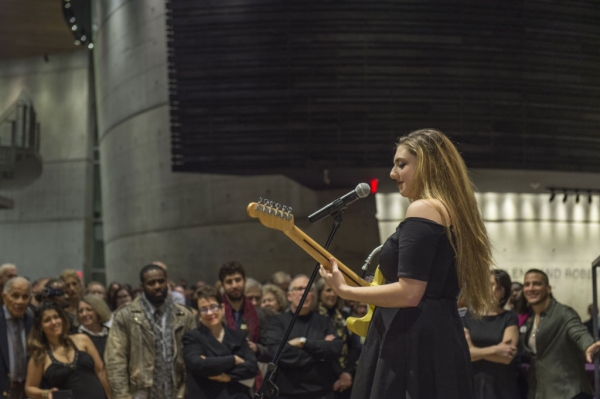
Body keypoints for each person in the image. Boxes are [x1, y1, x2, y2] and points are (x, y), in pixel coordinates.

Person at [320, 128, 495, 399]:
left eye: (402, 164)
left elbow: (410, 292)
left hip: (412, 340)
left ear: (429, 165)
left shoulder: (424, 208)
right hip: (438, 337)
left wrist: (345, 291)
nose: (392, 174)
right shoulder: (454, 213)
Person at [105, 264, 196, 399]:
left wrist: (186, 390)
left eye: (161, 281)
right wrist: (122, 396)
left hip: (176, 391)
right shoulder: (125, 316)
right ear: (142, 286)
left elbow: (193, 358)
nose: (157, 286)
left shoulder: (184, 315)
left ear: (167, 282)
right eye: (151, 283)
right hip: (140, 391)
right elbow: (115, 361)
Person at [521, 269, 600, 399]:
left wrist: (589, 345)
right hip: (544, 392)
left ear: (548, 289)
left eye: (536, 283)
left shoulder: (563, 313)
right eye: (527, 284)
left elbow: (578, 332)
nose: (531, 288)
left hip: (569, 392)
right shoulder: (532, 320)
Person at [263, 275, 343, 399]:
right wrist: (319, 353)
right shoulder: (277, 322)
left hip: (322, 393)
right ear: (289, 296)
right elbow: (276, 353)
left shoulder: (324, 321)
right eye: (299, 289)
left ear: (313, 296)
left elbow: (335, 348)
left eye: (308, 290)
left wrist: (303, 343)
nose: (304, 293)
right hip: (287, 394)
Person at [24, 301, 112, 399]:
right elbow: (29, 388)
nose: (54, 322)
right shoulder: (40, 354)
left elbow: (100, 371)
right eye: (47, 320)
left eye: (56, 317)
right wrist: (46, 393)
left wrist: (111, 397)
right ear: (40, 326)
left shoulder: (83, 339)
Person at [183, 286, 258, 399]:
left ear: (222, 309)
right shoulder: (192, 337)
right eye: (203, 309)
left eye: (213, 307)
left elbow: (252, 367)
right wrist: (234, 360)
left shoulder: (238, 336)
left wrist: (227, 376)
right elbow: (198, 365)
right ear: (198, 315)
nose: (209, 313)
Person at [462, 269, 519, 399]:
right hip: (473, 383)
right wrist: (495, 349)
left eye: (495, 286)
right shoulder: (466, 317)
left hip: (501, 385)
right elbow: (465, 355)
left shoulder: (509, 317)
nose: (489, 289)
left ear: (503, 291)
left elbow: (506, 357)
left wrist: (475, 351)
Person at [316, 279, 361, 399]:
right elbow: (321, 350)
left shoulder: (345, 316)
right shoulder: (313, 319)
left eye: (335, 290)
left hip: (348, 376)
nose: (332, 294)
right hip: (324, 379)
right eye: (328, 290)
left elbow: (355, 346)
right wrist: (340, 374)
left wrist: (347, 372)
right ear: (319, 293)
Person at [1, 277, 33, 399]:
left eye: (25, 297)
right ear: (4, 297)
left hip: (27, 392)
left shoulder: (33, 322)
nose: (20, 301)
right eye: (15, 296)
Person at [78, 295, 112, 360]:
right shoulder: (75, 335)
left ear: (99, 310)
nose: (84, 314)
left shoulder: (112, 333)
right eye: (80, 311)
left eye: (89, 310)